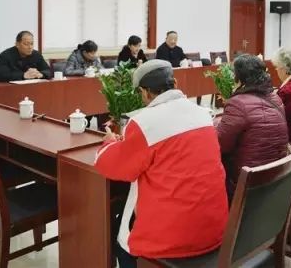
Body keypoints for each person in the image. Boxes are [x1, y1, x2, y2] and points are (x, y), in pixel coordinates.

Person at [94, 60, 228, 267]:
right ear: (175, 83)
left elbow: (115, 167)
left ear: (145, 93)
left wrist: (109, 142)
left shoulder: (143, 122)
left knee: (120, 241)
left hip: (172, 239)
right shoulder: (203, 114)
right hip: (214, 228)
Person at [216, 54, 288, 195]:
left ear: (238, 78)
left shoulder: (238, 103)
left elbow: (221, 144)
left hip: (247, 183)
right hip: (275, 177)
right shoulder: (275, 98)